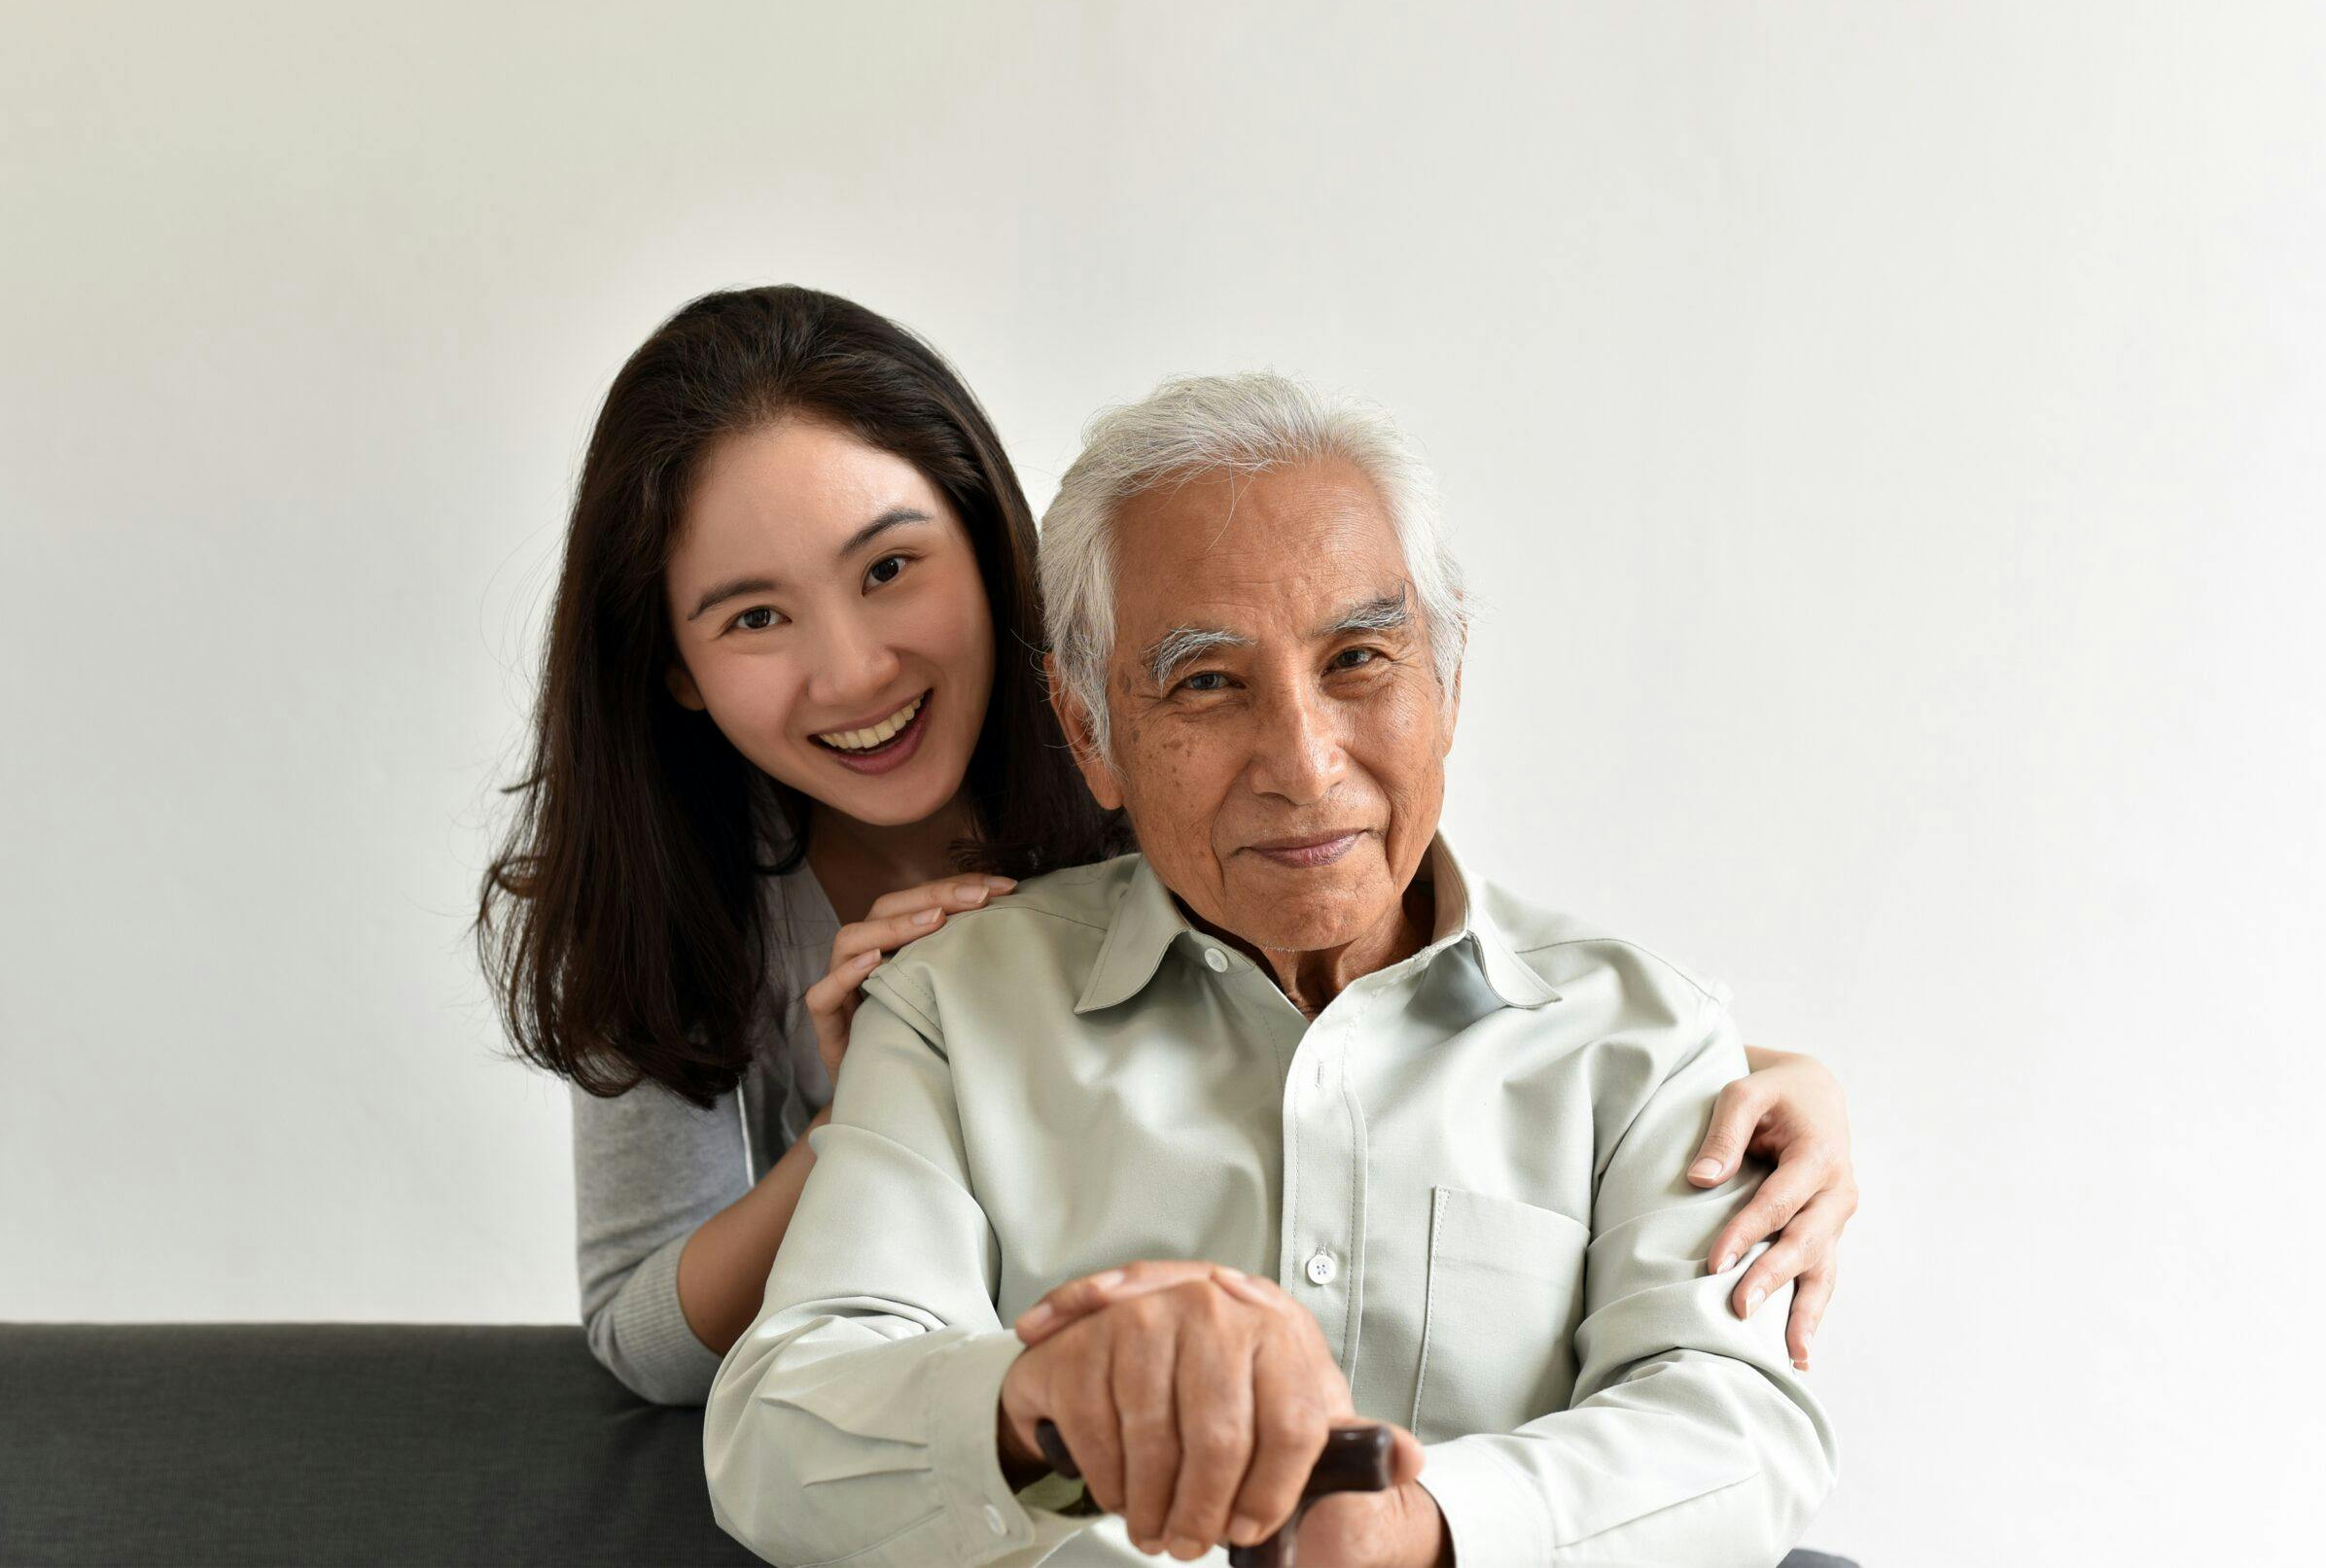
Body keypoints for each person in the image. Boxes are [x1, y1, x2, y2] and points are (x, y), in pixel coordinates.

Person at [475, 287, 1859, 1418]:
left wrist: (1760, 1082)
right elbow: (652, 1336)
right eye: (754, 618)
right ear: (671, 668)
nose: (852, 667)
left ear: (986, 543)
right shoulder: (680, 905)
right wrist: (867, 1122)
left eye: (891, 567)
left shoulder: (1189, 780)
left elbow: (1440, 1005)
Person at [703, 372, 1837, 1568]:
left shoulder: (1644, 1038)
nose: (1302, 763)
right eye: (1206, 683)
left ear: (1444, 687)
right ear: (1089, 731)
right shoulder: (949, 1006)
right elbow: (779, 1432)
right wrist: (1036, 1400)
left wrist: (1421, 1527)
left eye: (1357, 658)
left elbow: (1737, 1430)